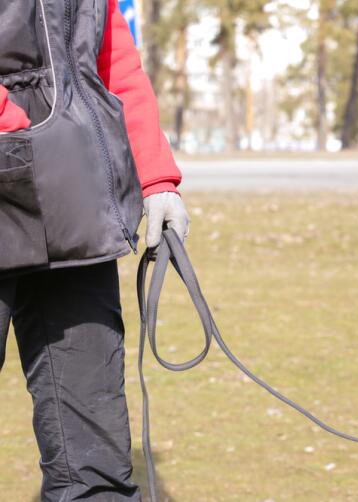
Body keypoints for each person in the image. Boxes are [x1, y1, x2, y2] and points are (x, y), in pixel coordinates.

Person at [0, 1, 189, 499]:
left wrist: (156, 176)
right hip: (20, 155)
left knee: (94, 452)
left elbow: (112, 60)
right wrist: (12, 122)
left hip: (74, 194)